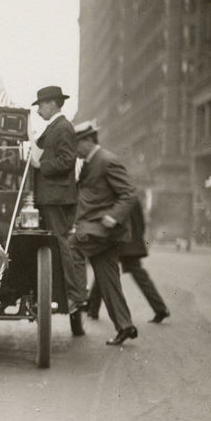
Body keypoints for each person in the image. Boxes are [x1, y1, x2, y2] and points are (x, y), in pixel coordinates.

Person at [69, 120, 138, 346]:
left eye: (77, 144)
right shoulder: (91, 161)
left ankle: (79, 297)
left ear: (88, 142)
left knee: (70, 245)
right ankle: (125, 326)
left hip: (102, 230)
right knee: (108, 282)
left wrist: (114, 216)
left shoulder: (107, 161)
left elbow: (128, 193)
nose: (74, 150)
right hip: (100, 232)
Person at [30, 85, 85, 333]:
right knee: (58, 244)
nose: (39, 109)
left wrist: (40, 165)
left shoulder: (63, 127)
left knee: (61, 243)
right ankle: (70, 294)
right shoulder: (57, 127)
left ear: (52, 104)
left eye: (40, 105)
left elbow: (66, 160)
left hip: (56, 198)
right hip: (52, 196)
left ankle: (73, 295)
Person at [88, 197, 170, 324]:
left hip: (116, 242)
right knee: (139, 276)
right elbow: (141, 222)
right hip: (131, 243)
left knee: (103, 271)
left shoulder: (110, 197)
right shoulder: (132, 197)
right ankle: (160, 308)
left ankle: (92, 309)